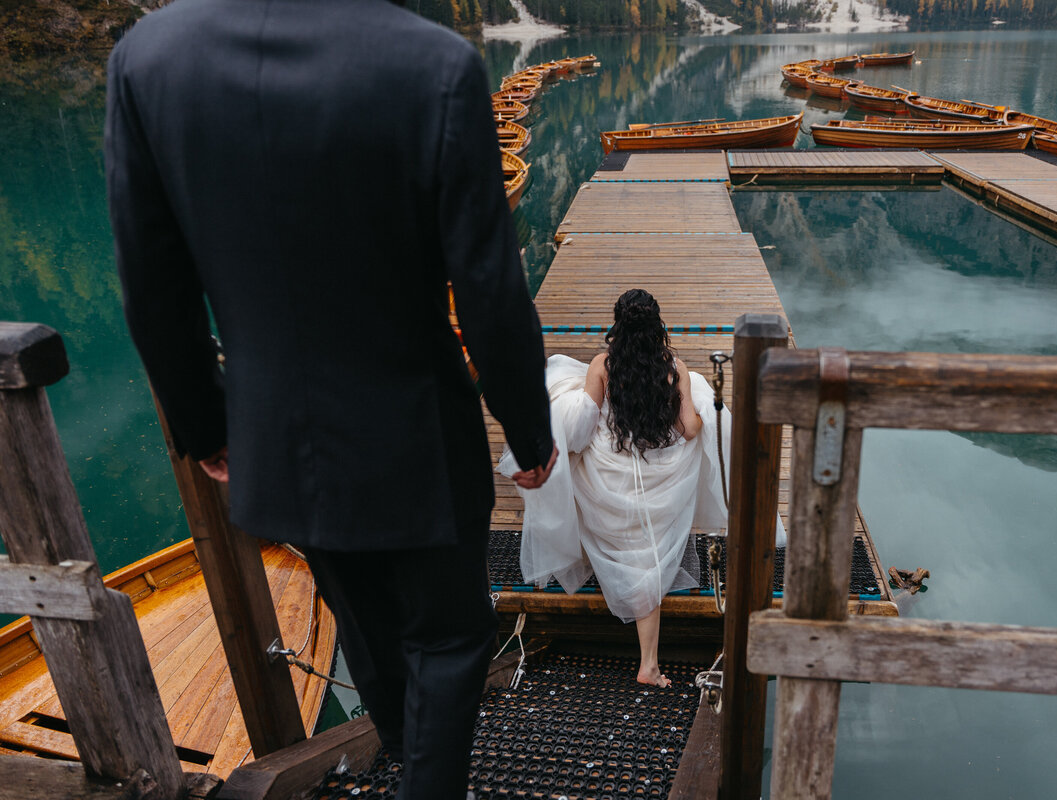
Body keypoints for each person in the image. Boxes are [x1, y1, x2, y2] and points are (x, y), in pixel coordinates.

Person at [105, 0, 556, 796]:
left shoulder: (149, 59)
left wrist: (208, 425)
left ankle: (407, 758)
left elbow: (152, 283)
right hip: (419, 435)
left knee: (366, 627)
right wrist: (529, 432)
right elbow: (489, 289)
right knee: (450, 643)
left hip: (281, 442)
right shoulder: (435, 65)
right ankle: (425, 777)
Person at [500, 289, 731, 688]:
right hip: (662, 477)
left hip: (611, 473)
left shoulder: (603, 365)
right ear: (658, 325)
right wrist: (699, 406)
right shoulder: (673, 367)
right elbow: (690, 430)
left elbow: (583, 426)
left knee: (584, 470)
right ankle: (649, 665)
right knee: (650, 554)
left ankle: (639, 639)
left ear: (618, 326)